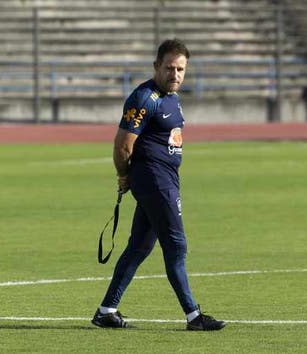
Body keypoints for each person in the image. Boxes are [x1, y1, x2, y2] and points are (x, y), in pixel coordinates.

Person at [91, 39, 226, 331]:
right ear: (156, 66)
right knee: (176, 245)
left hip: (165, 181)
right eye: (169, 68)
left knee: (139, 247)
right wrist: (123, 176)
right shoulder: (144, 98)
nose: (175, 74)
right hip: (153, 182)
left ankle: (106, 310)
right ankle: (194, 316)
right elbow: (123, 145)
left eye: (180, 69)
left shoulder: (172, 99)